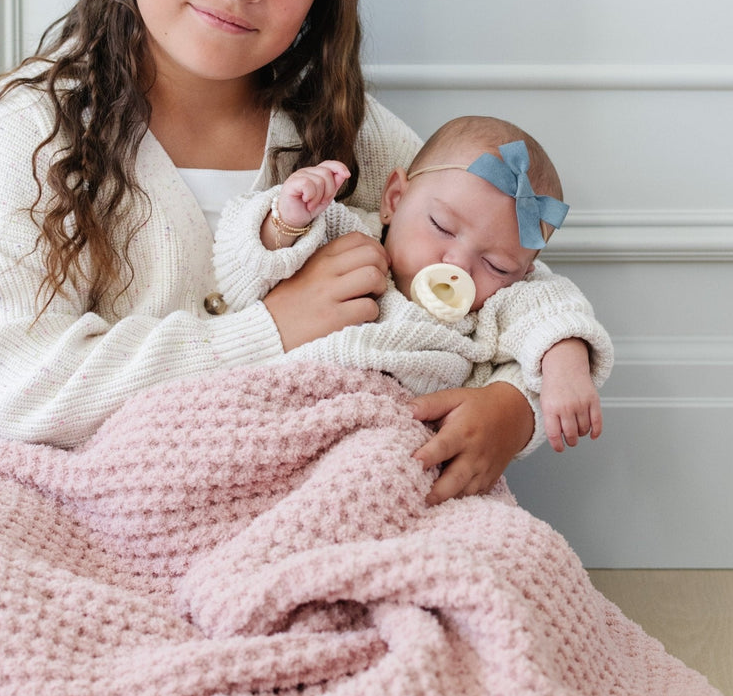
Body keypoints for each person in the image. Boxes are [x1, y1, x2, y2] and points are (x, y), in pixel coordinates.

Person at [0, 0, 602, 504]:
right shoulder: (30, 136)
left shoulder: (353, 134)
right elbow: (10, 390)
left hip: (326, 497)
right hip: (103, 506)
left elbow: (512, 287)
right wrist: (270, 330)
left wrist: (515, 408)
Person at [216, 114, 612, 478]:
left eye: (496, 265)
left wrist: (566, 366)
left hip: (401, 454)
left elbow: (552, 309)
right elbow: (244, 277)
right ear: (394, 199)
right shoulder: (347, 238)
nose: (458, 264)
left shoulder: (491, 309)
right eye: (442, 226)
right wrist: (287, 220)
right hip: (290, 418)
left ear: (521, 274)